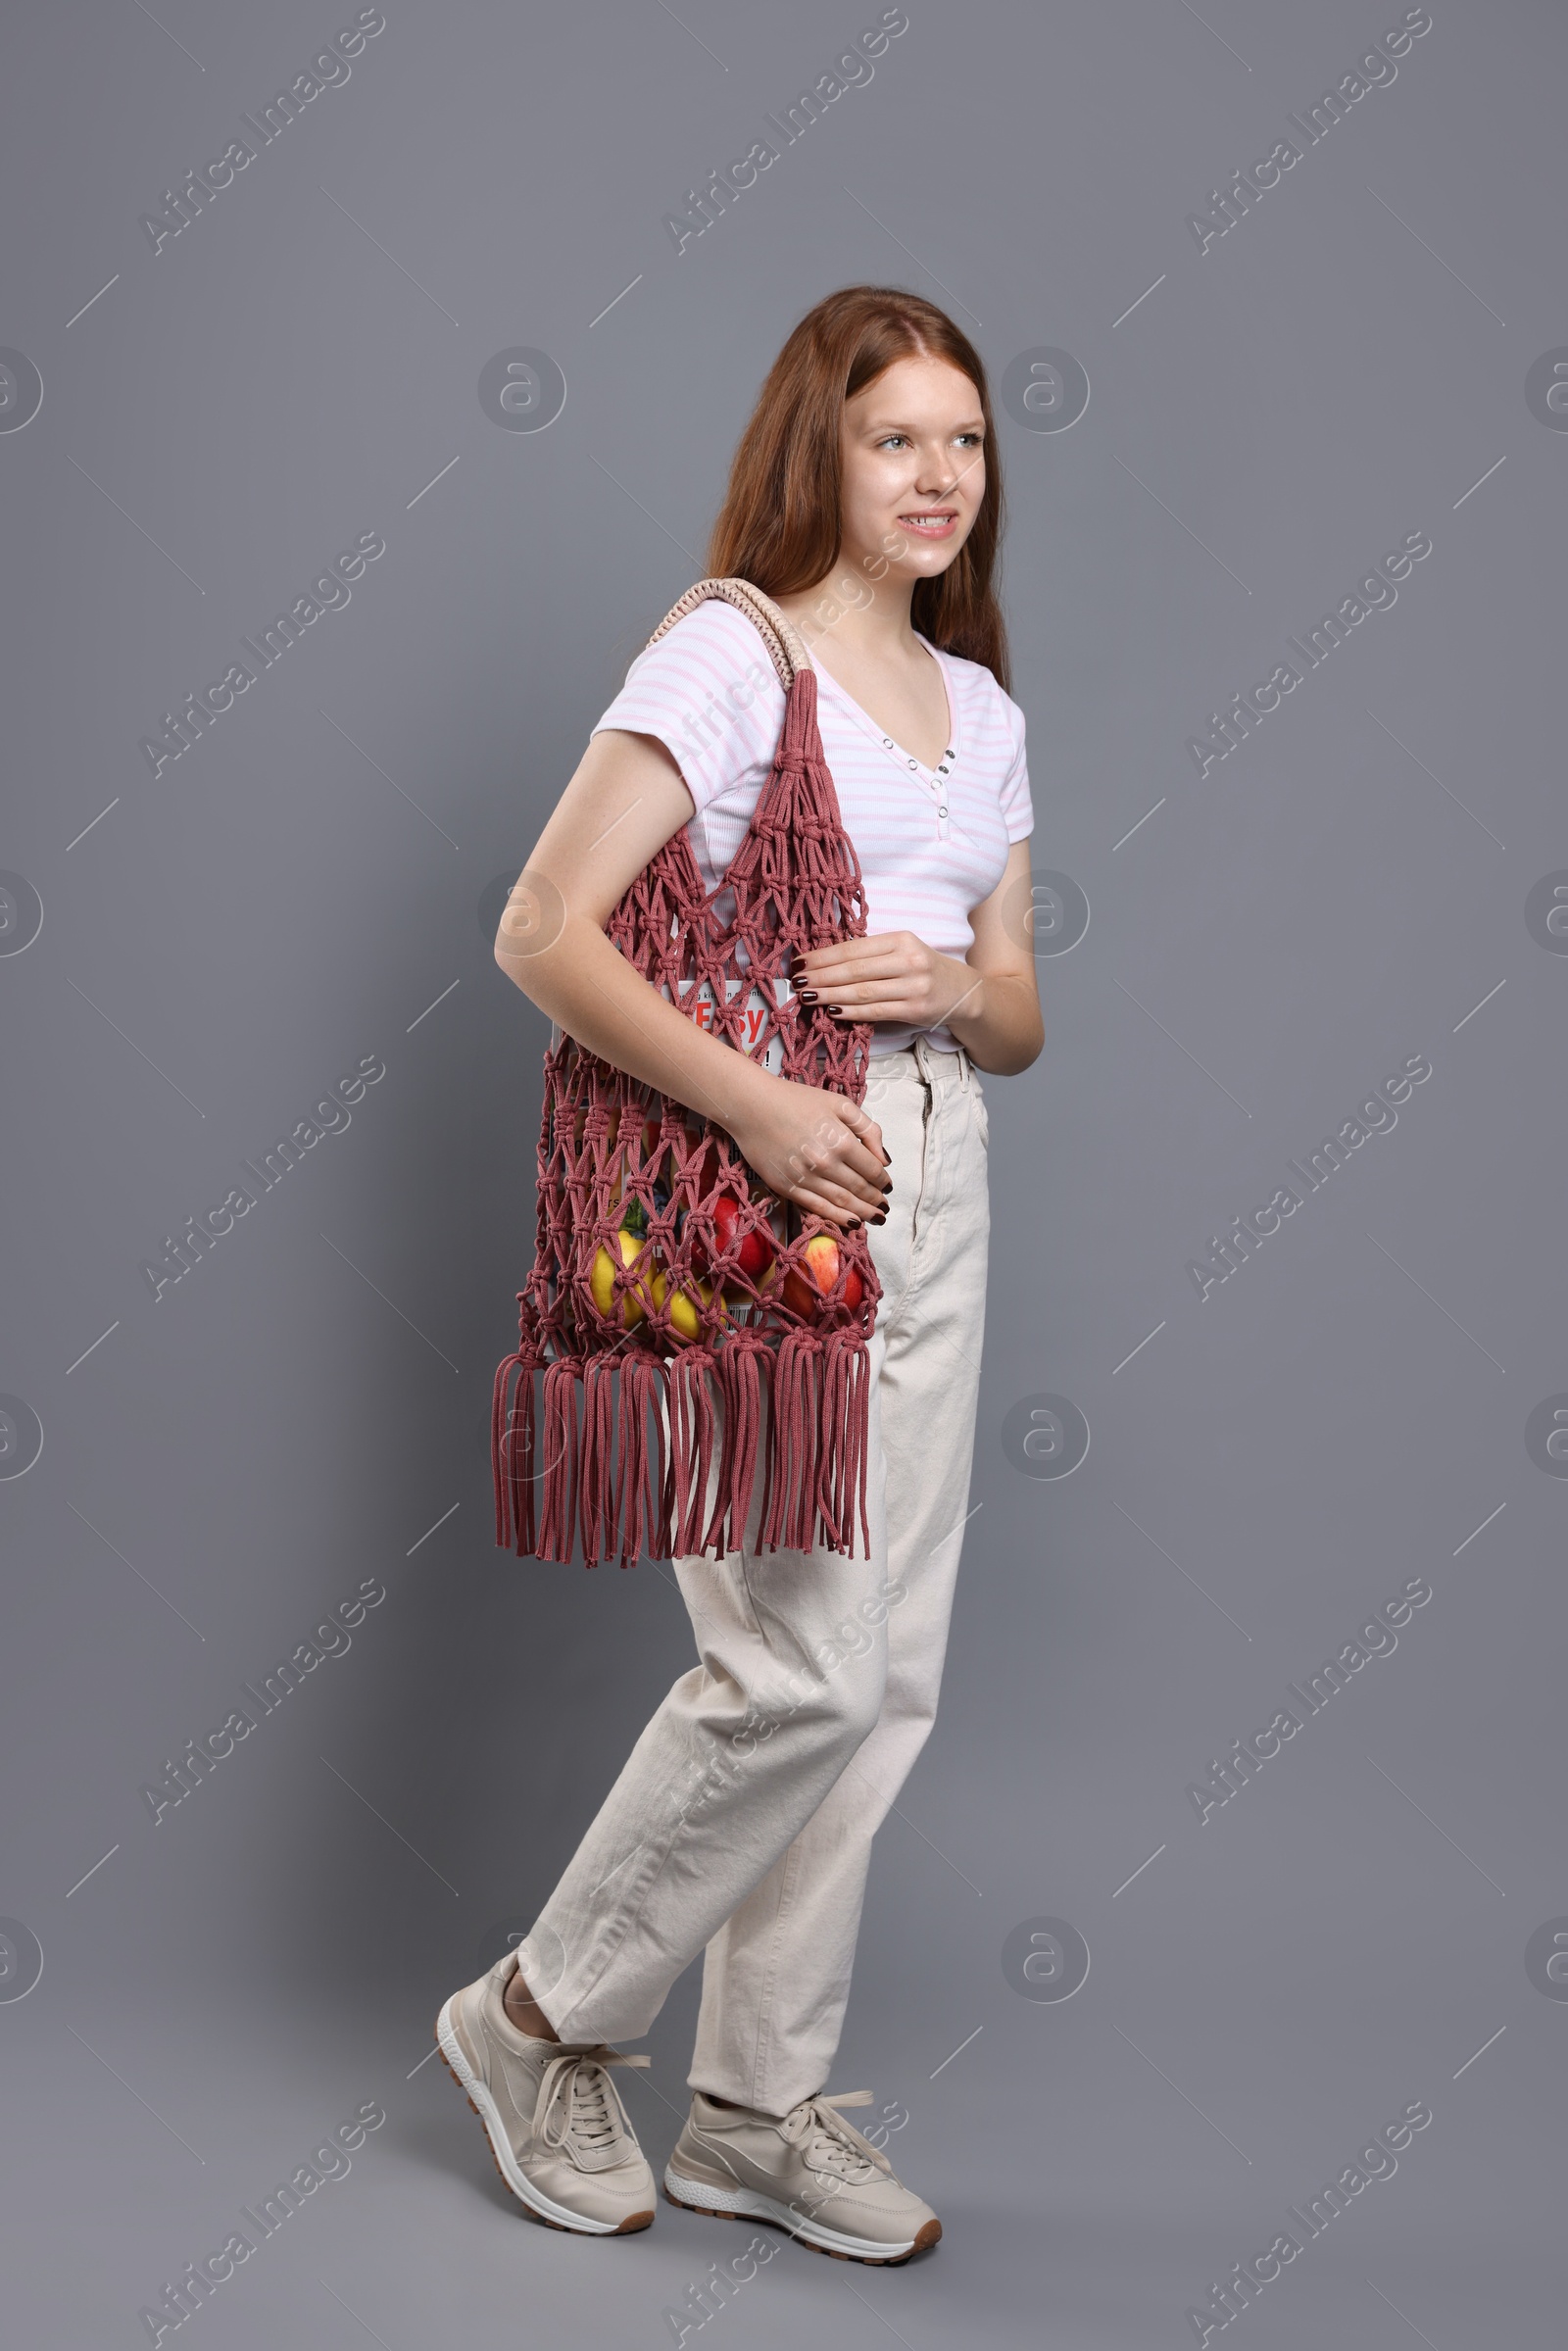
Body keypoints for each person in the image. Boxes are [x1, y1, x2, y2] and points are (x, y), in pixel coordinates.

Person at [437, 285, 1043, 2264]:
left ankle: (752, 2110)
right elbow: (543, 924)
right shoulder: (729, 651)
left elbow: (1018, 1005)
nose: (936, 474)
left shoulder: (986, 707)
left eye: (962, 439)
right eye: (895, 439)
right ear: (820, 451)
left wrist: (953, 985)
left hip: (938, 1161)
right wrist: (774, 1117)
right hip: (761, 1183)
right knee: (799, 1665)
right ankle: (539, 2016)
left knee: (889, 1689)